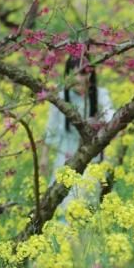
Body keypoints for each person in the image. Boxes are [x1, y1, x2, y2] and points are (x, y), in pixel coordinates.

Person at [42, 52, 115, 217]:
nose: (78, 79)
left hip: (91, 158)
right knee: (61, 206)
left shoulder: (100, 94)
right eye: (73, 73)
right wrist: (44, 157)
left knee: (84, 206)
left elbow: (111, 117)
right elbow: (50, 128)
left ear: (91, 73)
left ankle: (79, 242)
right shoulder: (61, 97)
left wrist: (97, 122)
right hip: (65, 157)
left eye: (82, 73)